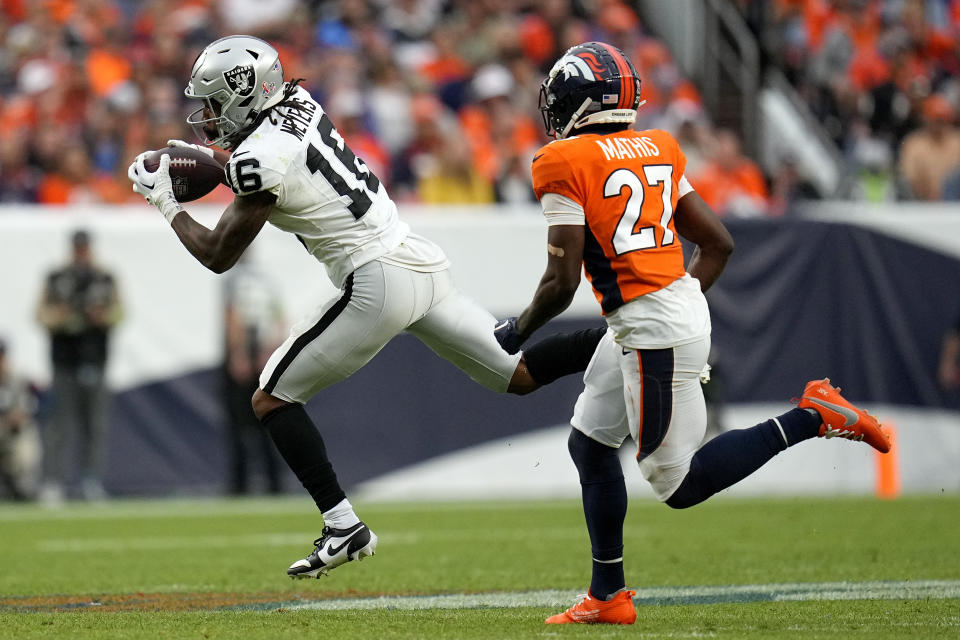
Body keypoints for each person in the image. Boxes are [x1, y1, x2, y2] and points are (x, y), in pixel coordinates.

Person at [127, 35, 604, 580]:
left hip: (377, 278)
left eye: (214, 105)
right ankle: (627, 338)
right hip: (418, 259)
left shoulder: (261, 158)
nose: (207, 117)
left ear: (244, 94)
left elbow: (218, 254)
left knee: (271, 398)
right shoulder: (298, 104)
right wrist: (215, 159)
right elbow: (260, 158)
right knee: (518, 374)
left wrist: (164, 200)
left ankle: (343, 525)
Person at [493, 42, 892, 626]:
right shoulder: (658, 146)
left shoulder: (561, 161)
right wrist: (672, 300)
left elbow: (560, 283)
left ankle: (813, 415)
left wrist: (517, 329)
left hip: (653, 329)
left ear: (577, 101)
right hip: (657, 315)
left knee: (676, 483)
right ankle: (609, 595)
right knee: (590, 443)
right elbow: (719, 244)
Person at [36, 229, 123, 503]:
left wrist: (103, 316)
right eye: (78, 248)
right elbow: (39, 313)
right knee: (59, 424)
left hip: (95, 359)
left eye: (84, 248)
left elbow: (120, 312)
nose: (81, 253)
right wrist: (59, 318)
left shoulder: (104, 278)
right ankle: (52, 482)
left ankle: (91, 480)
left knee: (94, 425)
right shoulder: (57, 277)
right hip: (64, 361)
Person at [221, 251, 286, 495]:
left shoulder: (233, 280)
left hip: (246, 354)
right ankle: (274, 484)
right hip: (265, 356)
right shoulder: (267, 280)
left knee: (239, 425)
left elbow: (232, 317)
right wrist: (271, 353)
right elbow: (279, 318)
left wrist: (238, 354)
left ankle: (240, 486)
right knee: (268, 422)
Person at [0, 338, 43, 501]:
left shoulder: (18, 380)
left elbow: (29, 410)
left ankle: (22, 486)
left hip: (13, 435)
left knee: (25, 445)